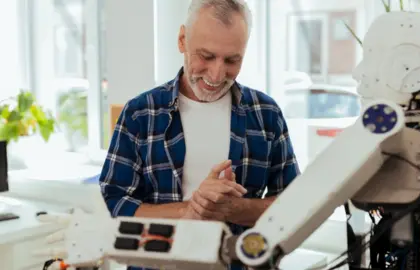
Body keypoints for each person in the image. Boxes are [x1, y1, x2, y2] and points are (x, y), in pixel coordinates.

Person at [99, 0, 300, 269]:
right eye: (206, 56)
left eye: (232, 60)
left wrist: (234, 209)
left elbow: (294, 205)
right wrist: (192, 210)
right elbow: (113, 204)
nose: (217, 75)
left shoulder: (266, 113)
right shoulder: (140, 113)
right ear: (182, 40)